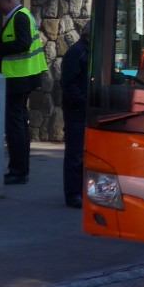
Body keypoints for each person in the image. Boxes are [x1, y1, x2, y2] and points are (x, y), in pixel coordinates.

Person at [0, 0, 48, 185]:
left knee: (14, 125)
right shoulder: (23, 15)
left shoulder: (20, 17)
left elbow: (23, 44)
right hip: (22, 77)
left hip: (18, 78)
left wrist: (0, 48)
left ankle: (17, 170)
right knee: (19, 124)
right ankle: (20, 169)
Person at [60, 24, 90, 209]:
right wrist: (81, 101)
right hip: (77, 110)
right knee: (76, 154)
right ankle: (73, 194)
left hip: (83, 108)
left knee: (81, 153)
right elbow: (68, 82)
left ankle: (80, 192)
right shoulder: (77, 52)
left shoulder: (86, 51)